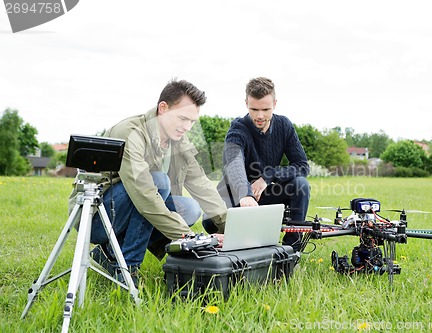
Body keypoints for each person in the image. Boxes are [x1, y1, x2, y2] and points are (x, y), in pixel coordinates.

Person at [68, 79, 227, 286]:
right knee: (158, 182)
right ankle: (126, 269)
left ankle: (109, 253)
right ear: (163, 108)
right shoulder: (130, 133)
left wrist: (230, 228)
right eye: (182, 118)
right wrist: (191, 238)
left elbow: (201, 183)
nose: (187, 127)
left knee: (190, 208)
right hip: (97, 218)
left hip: (130, 209)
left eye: (192, 122)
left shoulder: (179, 139)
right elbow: (144, 194)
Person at [206, 77, 310, 252]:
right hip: (236, 198)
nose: (260, 116)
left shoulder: (284, 125)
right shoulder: (238, 129)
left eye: (265, 109)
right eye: (254, 109)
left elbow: (302, 165)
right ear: (246, 103)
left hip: (265, 194)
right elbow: (233, 163)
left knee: (300, 185)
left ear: (275, 104)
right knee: (210, 221)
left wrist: (268, 176)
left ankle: (292, 250)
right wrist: (245, 194)